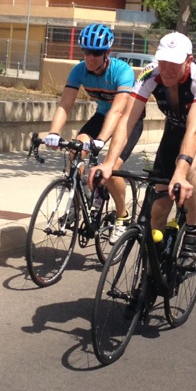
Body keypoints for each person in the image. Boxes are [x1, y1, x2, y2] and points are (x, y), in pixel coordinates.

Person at [94, 31, 196, 270]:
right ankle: (155, 269)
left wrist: (180, 173)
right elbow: (128, 120)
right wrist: (109, 163)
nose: (166, 69)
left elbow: (194, 129)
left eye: (174, 63)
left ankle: (193, 231)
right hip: (174, 130)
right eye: (163, 61)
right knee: (158, 209)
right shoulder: (150, 74)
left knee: (187, 170)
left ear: (189, 60)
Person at [39, 23, 142, 243]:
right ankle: (78, 204)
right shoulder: (79, 70)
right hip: (102, 117)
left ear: (107, 53)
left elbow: (118, 111)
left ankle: (122, 216)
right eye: (86, 51)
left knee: (111, 170)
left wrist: (101, 140)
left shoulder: (122, 71)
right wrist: (54, 132)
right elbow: (65, 104)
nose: (90, 57)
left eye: (96, 52)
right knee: (75, 151)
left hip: (127, 121)